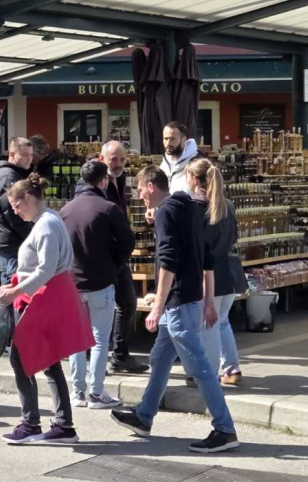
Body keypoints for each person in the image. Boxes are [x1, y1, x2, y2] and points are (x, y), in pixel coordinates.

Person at [111, 166, 239, 454]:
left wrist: (157, 306)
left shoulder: (169, 212)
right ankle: (144, 416)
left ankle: (225, 428)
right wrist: (206, 300)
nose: (139, 195)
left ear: (151, 186)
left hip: (178, 302)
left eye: (140, 189)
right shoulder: (188, 209)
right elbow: (205, 257)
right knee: (159, 358)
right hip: (186, 300)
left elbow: (168, 260)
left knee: (201, 367)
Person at [0, 173, 91, 445]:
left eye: (16, 205)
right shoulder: (50, 220)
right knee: (47, 361)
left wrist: (15, 290)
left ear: (28, 198)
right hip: (48, 295)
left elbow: (46, 269)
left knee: (21, 358)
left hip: (43, 297)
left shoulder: (46, 225)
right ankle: (62, 424)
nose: (14, 212)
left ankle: (32, 423)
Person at [61, 161, 134, 410]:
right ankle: (96, 391)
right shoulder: (109, 208)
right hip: (101, 281)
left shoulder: (66, 210)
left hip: (73, 283)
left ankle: (77, 392)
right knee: (100, 340)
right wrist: (115, 263)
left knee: (76, 340)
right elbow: (127, 243)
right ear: (103, 181)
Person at [184, 158, 247, 388]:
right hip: (230, 272)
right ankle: (232, 368)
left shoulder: (197, 206)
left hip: (208, 274)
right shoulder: (227, 204)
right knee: (221, 322)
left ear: (194, 179)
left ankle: (207, 373)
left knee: (207, 325)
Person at [90, 141, 149, 375]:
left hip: (118, 252)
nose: (118, 164)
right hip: (100, 253)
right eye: (114, 159)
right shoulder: (93, 179)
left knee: (127, 302)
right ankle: (95, 359)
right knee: (99, 308)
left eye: (122, 159)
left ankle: (120, 355)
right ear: (102, 158)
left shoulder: (121, 179)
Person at [0, 137, 35, 285]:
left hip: (10, 238)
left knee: (14, 281)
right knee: (13, 282)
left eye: (31, 155)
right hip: (12, 239)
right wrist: (32, 235)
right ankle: (9, 309)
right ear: (12, 154)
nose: (29, 159)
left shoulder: (12, 174)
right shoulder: (8, 176)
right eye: (25, 155)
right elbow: (13, 212)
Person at [159, 122, 199, 194]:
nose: (168, 143)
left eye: (173, 139)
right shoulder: (164, 164)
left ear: (183, 140)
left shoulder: (196, 163)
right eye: (165, 139)